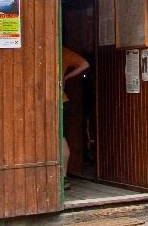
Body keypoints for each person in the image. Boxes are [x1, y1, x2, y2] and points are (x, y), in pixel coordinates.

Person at [61, 46, 89, 190]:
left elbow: (85, 64)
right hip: (61, 98)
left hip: (56, 99)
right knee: (61, 138)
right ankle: (63, 177)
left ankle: (62, 178)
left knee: (59, 138)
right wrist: (65, 77)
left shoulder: (61, 51)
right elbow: (84, 64)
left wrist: (65, 77)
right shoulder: (63, 51)